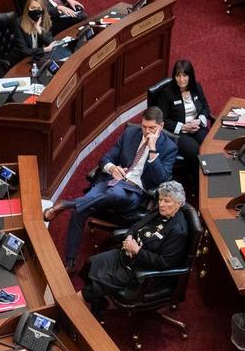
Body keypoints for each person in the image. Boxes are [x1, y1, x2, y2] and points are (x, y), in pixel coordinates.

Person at [43, 107, 178, 270]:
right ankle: (70, 262)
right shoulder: (130, 134)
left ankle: (66, 204)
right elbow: (105, 158)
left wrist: (153, 149)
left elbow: (161, 179)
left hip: (133, 192)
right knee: (81, 209)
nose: (146, 131)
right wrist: (112, 168)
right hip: (110, 182)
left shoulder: (169, 147)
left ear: (161, 126)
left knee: (113, 193)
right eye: (143, 126)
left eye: (151, 128)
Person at [81, 181, 188, 315]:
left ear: (178, 204)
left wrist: (137, 251)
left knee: (86, 292)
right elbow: (136, 226)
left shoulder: (178, 231)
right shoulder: (158, 212)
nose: (161, 204)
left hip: (138, 269)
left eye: (167, 201)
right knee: (89, 264)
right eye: (160, 199)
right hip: (125, 254)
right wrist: (129, 237)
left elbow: (164, 263)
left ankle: (85, 309)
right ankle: (99, 303)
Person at [154, 59, 213, 192]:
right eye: (178, 75)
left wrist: (200, 120)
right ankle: (199, 186)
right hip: (178, 133)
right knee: (195, 152)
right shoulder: (167, 93)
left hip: (197, 126)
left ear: (190, 76)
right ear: (174, 76)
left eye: (185, 75)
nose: (181, 79)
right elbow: (162, 120)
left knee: (210, 146)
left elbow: (205, 107)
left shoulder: (196, 87)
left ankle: (212, 179)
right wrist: (183, 127)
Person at [10, 0, 55, 65]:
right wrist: (44, 49)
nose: (36, 11)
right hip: (20, 61)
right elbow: (24, 51)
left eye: (39, 8)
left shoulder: (44, 20)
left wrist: (38, 29)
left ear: (42, 10)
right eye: (33, 8)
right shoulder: (19, 23)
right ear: (27, 9)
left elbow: (51, 42)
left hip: (36, 58)